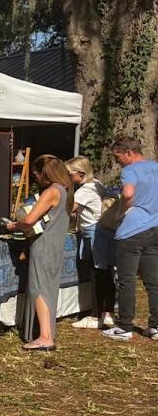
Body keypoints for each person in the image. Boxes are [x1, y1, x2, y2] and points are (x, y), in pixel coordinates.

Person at [6, 154, 72, 350]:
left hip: (43, 244)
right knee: (48, 288)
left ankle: (44, 337)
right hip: (56, 244)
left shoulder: (51, 191)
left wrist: (13, 225)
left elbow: (29, 220)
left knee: (39, 288)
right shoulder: (66, 191)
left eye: (36, 174)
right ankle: (47, 333)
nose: (35, 179)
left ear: (45, 173)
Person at [103, 137, 158, 341]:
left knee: (127, 280)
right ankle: (155, 326)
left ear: (128, 152)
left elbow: (127, 193)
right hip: (154, 229)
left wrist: (121, 211)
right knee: (153, 281)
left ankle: (124, 326)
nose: (118, 163)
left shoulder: (130, 171)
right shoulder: (155, 167)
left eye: (118, 158)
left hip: (131, 231)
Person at [66, 156, 115, 329]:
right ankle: (106, 311)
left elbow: (69, 208)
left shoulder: (83, 190)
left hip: (94, 232)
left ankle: (95, 315)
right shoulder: (97, 184)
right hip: (101, 231)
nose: (68, 177)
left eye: (70, 174)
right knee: (105, 271)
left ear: (80, 173)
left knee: (96, 272)